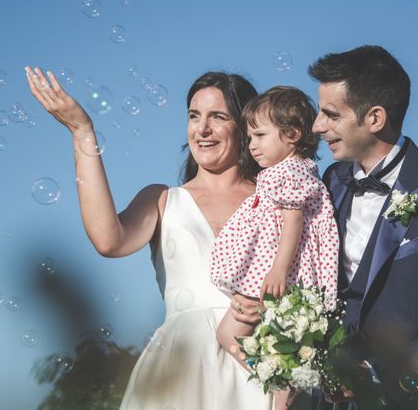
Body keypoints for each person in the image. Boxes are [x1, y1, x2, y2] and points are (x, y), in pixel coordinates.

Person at [25, 67, 274, 409]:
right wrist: (82, 131)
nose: (202, 129)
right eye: (194, 116)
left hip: (261, 361)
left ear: (245, 127)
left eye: (218, 116)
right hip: (182, 365)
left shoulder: (276, 199)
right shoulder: (162, 199)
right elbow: (108, 240)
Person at [308, 45, 418, 409]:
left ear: (375, 118)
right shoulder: (330, 182)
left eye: (330, 114)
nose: (317, 125)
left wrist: (382, 374)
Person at [210, 86, 339, 409]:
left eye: (259, 135)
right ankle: (280, 380)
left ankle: (282, 383)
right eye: (250, 137)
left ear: (292, 134)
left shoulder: (288, 172)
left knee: (228, 333)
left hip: (277, 271)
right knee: (240, 335)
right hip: (276, 270)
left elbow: (293, 222)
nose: (251, 145)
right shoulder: (295, 170)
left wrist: (278, 269)